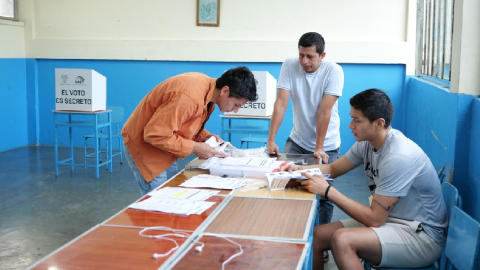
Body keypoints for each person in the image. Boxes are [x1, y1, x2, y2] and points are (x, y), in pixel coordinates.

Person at [281, 89, 448, 269]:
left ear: (379, 123)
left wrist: (327, 191)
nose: (350, 125)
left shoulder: (398, 156)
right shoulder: (366, 144)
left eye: (357, 120)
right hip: (391, 220)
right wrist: (298, 169)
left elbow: (374, 219)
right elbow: (332, 168)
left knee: (343, 240)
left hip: (421, 236)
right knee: (317, 236)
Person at [267, 32, 344, 261]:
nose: (304, 62)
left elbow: (324, 110)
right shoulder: (290, 65)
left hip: (327, 144)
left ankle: (322, 245)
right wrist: (271, 140)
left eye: (310, 57)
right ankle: (290, 235)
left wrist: (319, 148)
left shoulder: (334, 71)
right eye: (301, 55)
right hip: (297, 140)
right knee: (284, 183)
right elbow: (281, 103)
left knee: (324, 196)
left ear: (322, 55)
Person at [122, 67, 258, 196]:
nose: (235, 111)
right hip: (145, 145)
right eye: (236, 105)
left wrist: (204, 136)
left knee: (171, 191)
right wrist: (195, 147)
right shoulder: (189, 97)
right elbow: (155, 134)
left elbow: (183, 122)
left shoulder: (207, 91)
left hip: (163, 145)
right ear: (225, 91)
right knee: (158, 201)